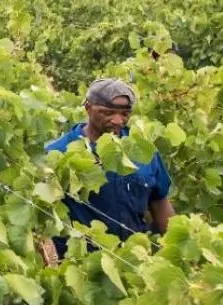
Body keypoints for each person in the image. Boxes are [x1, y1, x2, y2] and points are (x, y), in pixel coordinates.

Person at [45, 78, 175, 258]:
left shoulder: (143, 151)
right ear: (88, 108)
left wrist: (176, 251)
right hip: (80, 263)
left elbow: (160, 204)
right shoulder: (58, 152)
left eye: (125, 114)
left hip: (133, 261)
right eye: (107, 112)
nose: (117, 120)